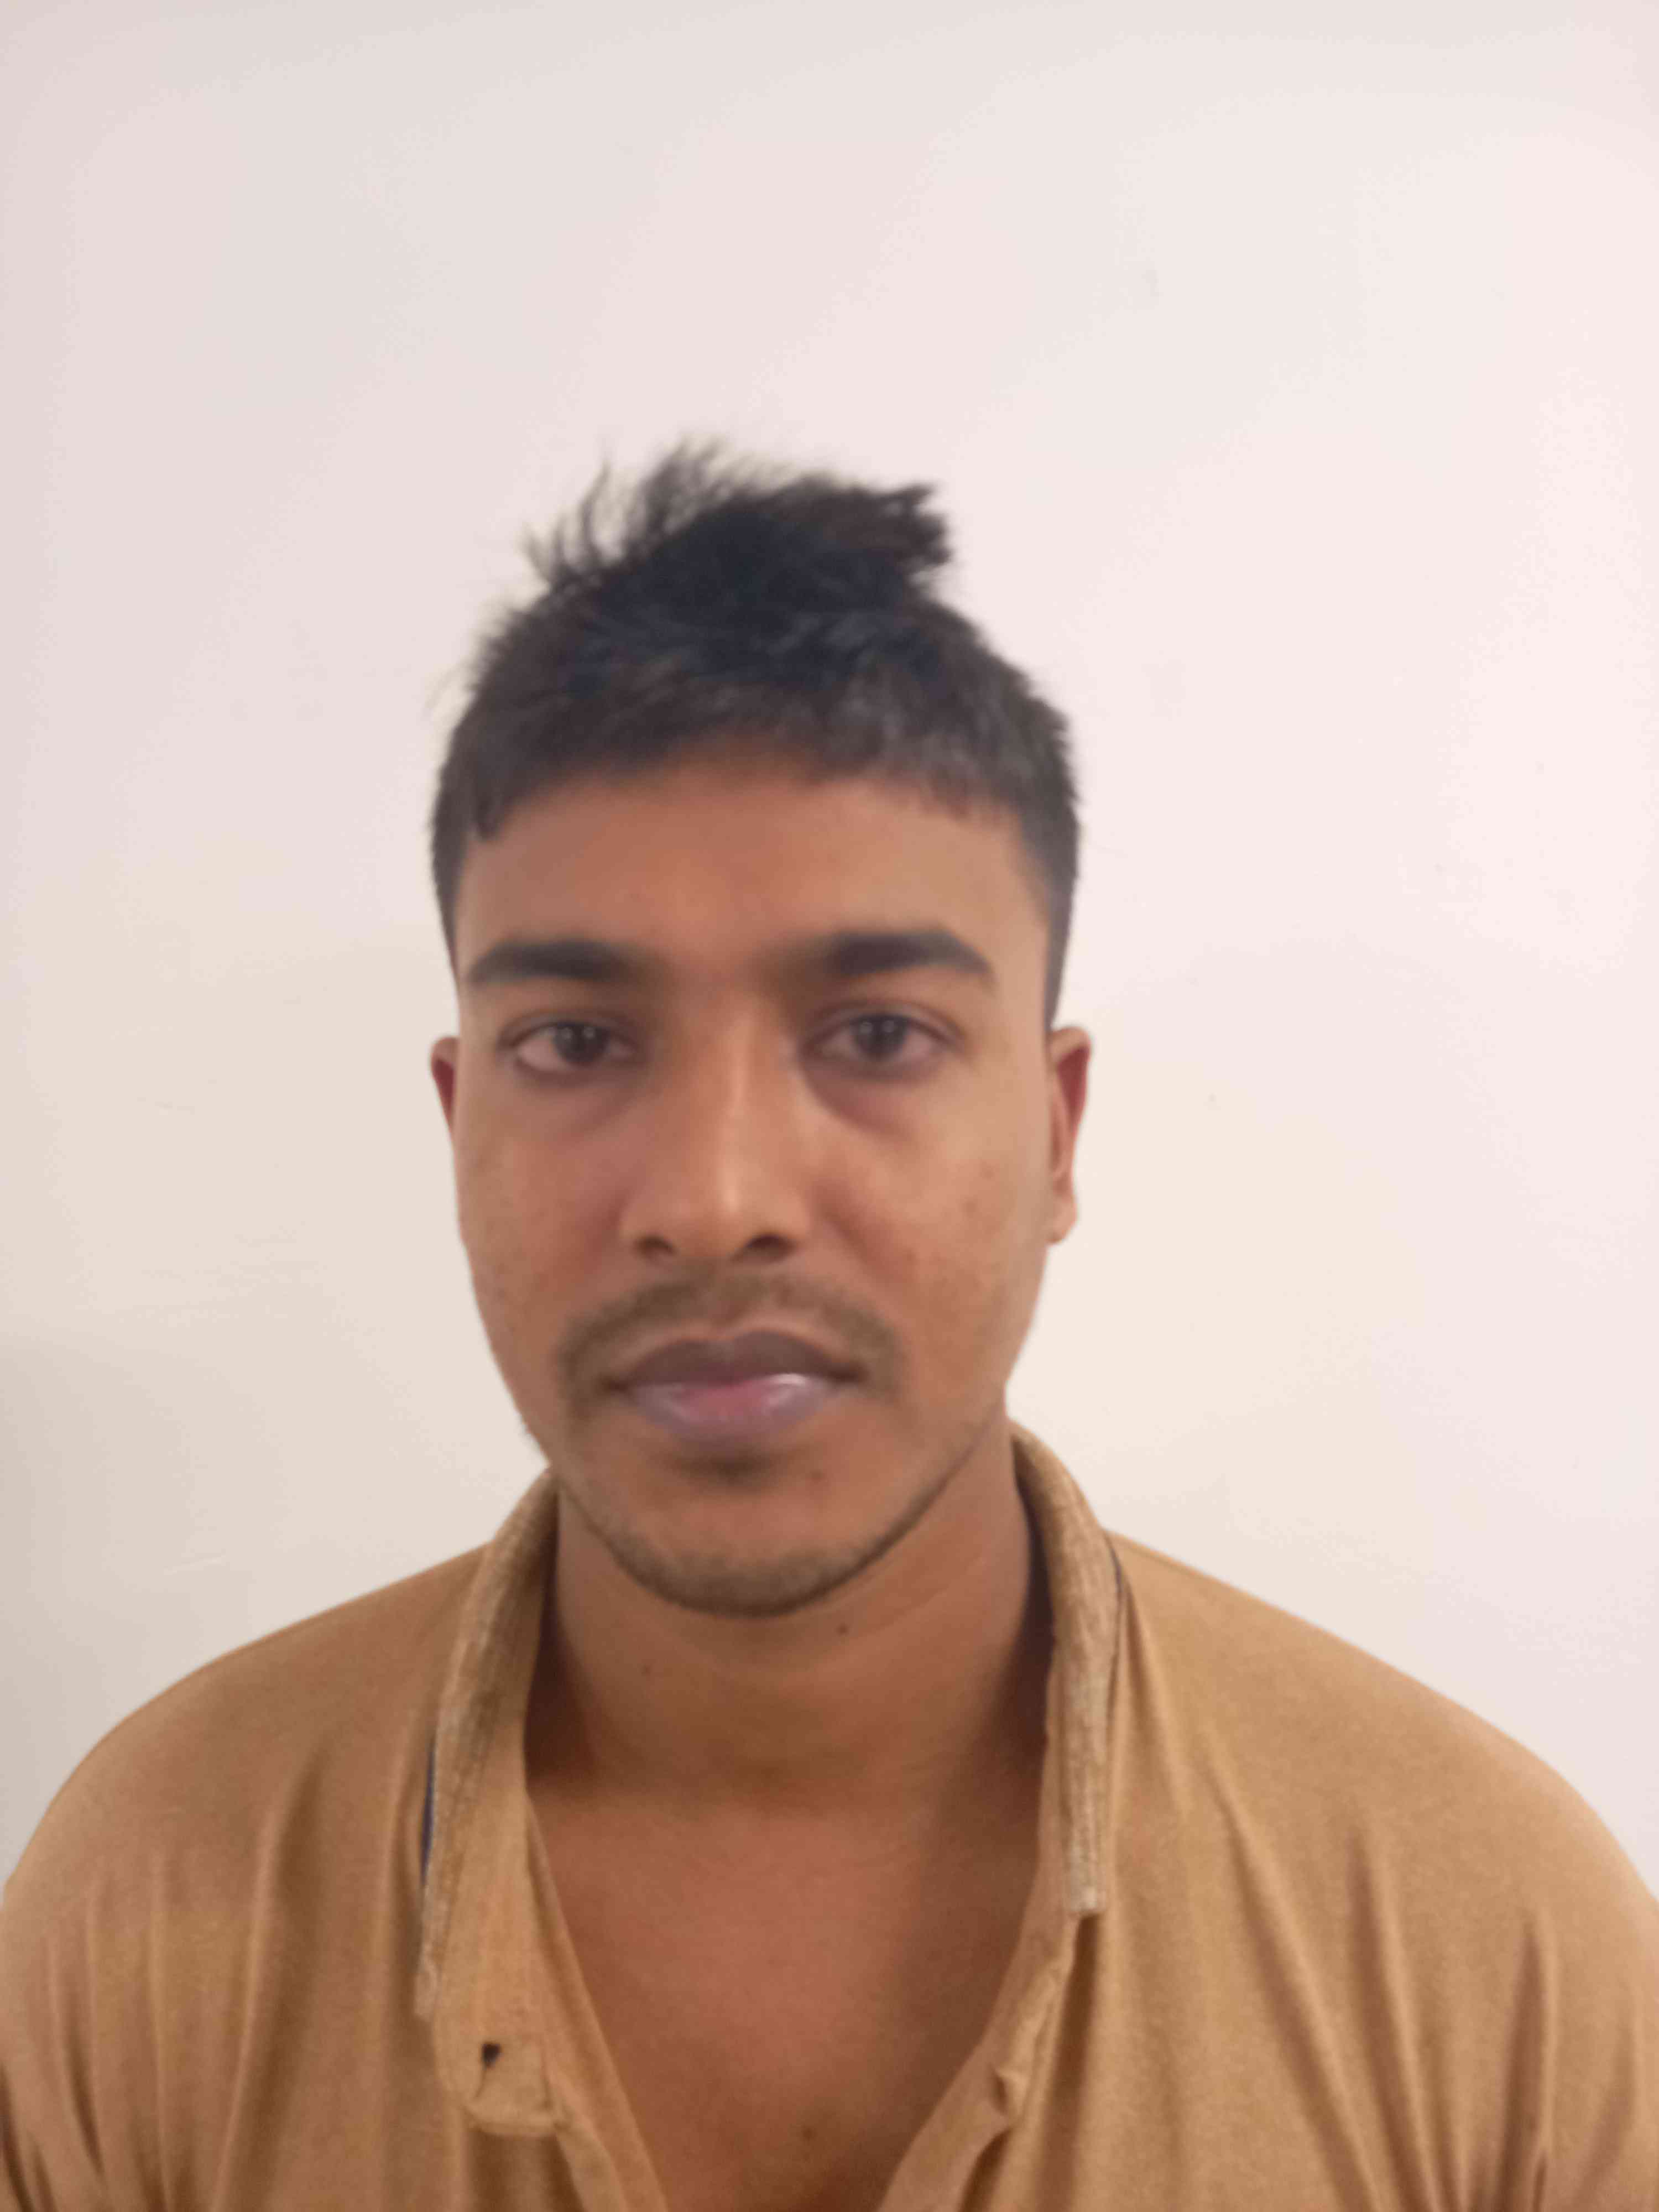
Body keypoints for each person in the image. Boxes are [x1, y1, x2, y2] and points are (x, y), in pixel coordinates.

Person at [2, 446, 1654, 2212]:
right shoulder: (144, 1911)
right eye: (575, 1042)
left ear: (1056, 1136)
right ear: (459, 1125)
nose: (715, 1200)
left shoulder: (1496, 1953)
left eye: (876, 1035)